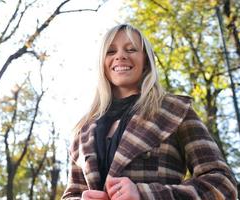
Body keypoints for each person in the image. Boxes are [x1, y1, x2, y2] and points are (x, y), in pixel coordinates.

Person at [61, 24, 238, 200]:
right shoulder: (83, 130)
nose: (120, 56)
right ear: (102, 63)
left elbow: (223, 184)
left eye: (131, 49)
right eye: (110, 52)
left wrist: (145, 194)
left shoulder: (175, 110)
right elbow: (71, 195)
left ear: (146, 60)